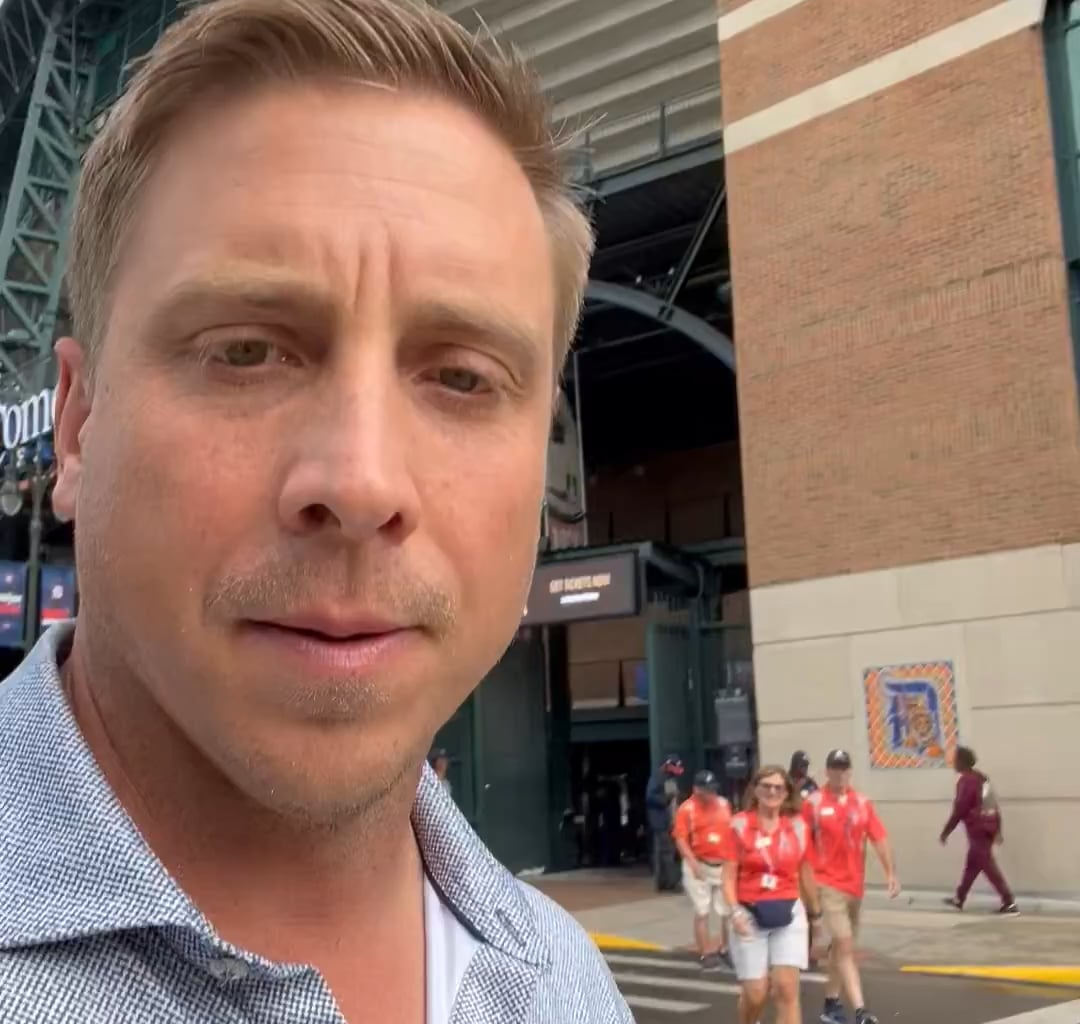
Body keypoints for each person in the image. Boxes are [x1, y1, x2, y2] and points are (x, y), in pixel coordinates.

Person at [0, 1, 632, 1021]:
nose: (363, 480)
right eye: (247, 350)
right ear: (75, 429)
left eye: (463, 379)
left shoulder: (567, 982)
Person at [721, 765, 825, 1024]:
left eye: (778, 787)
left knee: (787, 987)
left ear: (787, 792)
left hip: (789, 911)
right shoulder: (740, 824)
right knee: (756, 993)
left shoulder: (798, 827)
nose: (772, 792)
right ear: (755, 789)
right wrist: (734, 911)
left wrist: (817, 916)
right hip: (749, 913)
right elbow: (728, 876)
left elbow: (806, 873)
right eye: (766, 786)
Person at [804, 750, 900, 1024]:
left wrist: (890, 872)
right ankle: (861, 1010)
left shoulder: (861, 803)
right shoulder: (813, 803)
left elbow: (879, 836)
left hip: (853, 886)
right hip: (826, 884)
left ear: (850, 771)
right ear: (827, 771)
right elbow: (803, 844)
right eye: (834, 768)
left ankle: (831, 1004)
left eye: (844, 768)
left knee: (841, 948)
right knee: (845, 944)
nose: (839, 773)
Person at [941, 746, 1018, 915]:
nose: (952, 763)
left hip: (978, 829)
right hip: (988, 827)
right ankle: (959, 898)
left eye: (954, 760)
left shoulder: (966, 781)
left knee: (987, 865)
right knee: (972, 865)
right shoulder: (982, 778)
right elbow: (993, 805)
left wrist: (946, 831)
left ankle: (1009, 902)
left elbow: (960, 809)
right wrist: (997, 829)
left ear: (961, 762)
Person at [672, 769, 734, 970]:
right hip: (699, 864)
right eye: (706, 790)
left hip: (722, 864)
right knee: (702, 910)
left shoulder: (724, 804)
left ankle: (726, 948)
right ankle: (706, 951)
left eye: (712, 790)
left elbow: (731, 832)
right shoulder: (687, 809)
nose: (710, 794)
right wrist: (692, 863)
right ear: (696, 790)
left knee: (727, 910)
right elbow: (681, 839)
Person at [646, 754, 685, 891]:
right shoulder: (657, 777)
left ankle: (664, 883)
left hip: (670, 820)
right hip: (661, 821)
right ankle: (671, 883)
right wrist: (666, 799)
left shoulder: (669, 778)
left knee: (666, 852)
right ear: (668, 765)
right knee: (666, 853)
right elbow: (650, 797)